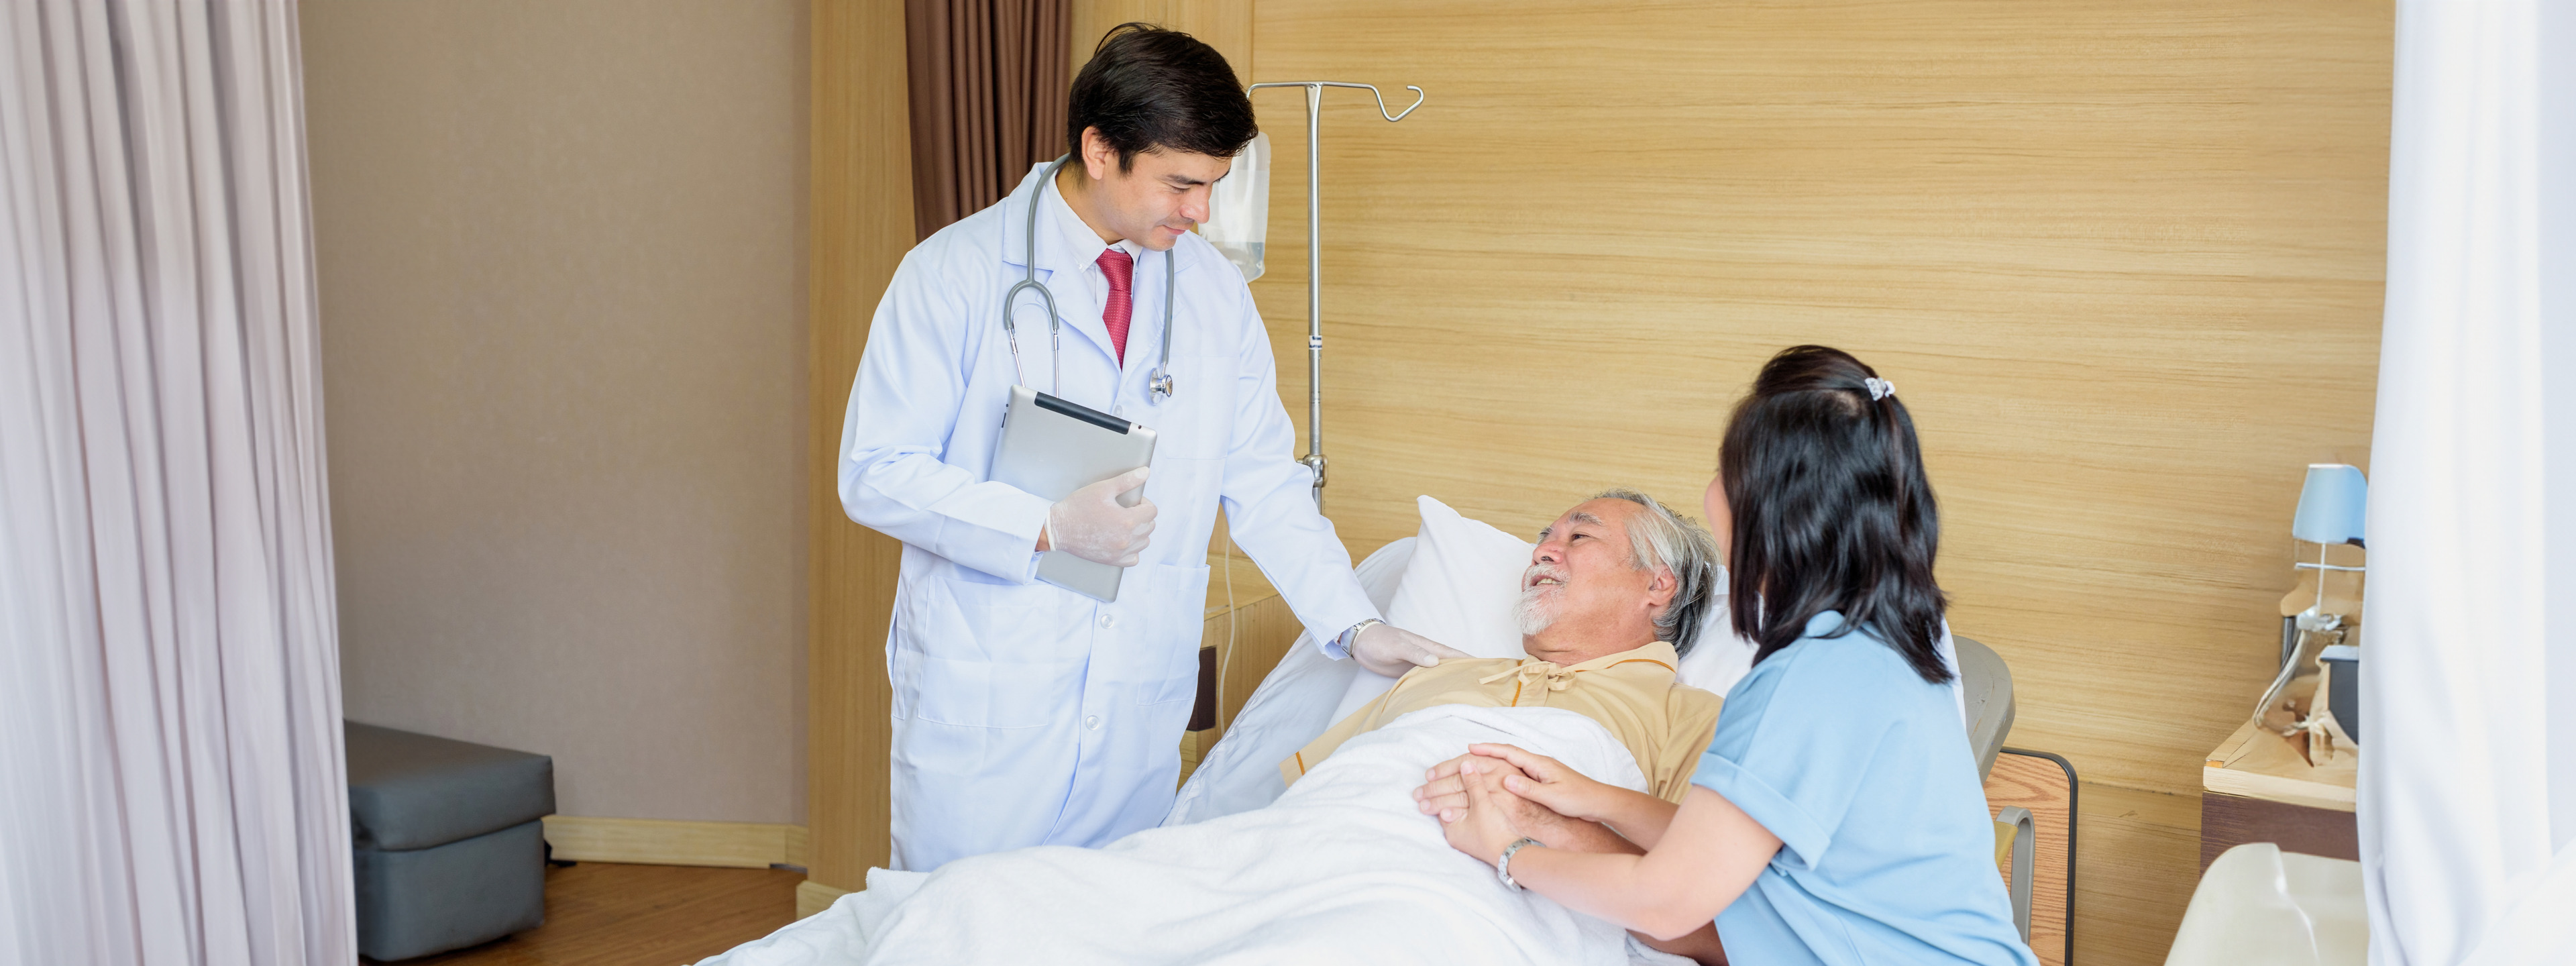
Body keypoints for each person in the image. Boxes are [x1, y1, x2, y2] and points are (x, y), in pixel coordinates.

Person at [837, 23, 1464, 872]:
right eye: (1180, 184)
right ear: (1100, 150)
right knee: (959, 931)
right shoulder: (953, 273)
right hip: (991, 704)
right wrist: (1047, 527)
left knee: (1109, 930)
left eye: (1213, 185)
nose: (1201, 211)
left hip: (1133, 708)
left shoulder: (1210, 292)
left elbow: (1265, 484)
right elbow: (877, 472)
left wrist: (1353, 625)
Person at [1419, 346, 2039, 966]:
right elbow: (1732, 848)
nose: (1710, 492)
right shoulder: (1881, 649)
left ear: (1764, 505)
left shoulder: (1807, 681)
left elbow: (1668, 900)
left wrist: (1508, 851)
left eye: (1723, 472)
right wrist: (1594, 798)